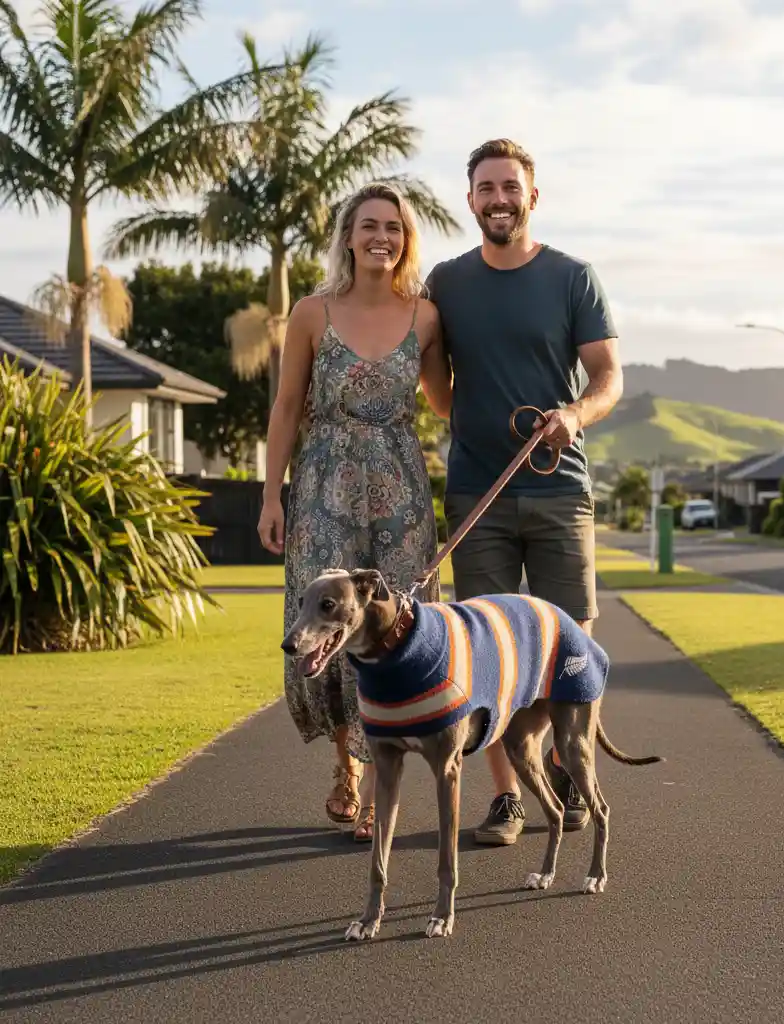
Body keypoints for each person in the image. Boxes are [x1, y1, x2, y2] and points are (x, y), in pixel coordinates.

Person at [424, 138, 624, 846]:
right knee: (486, 648)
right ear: (470, 199)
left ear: (532, 196)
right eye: (486, 188)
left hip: (560, 489)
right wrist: (472, 423)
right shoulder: (446, 282)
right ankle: (507, 797)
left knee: (573, 644)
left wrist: (574, 415)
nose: (499, 199)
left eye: (510, 187)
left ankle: (571, 775)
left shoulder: (573, 277)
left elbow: (608, 379)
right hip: (477, 493)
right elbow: (436, 386)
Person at [258, 181, 450, 842]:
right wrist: (271, 494)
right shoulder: (312, 312)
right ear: (347, 235)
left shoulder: (426, 317)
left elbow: (447, 403)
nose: (381, 237)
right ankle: (347, 768)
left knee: (395, 627)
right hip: (322, 492)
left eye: (393, 228)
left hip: (401, 493)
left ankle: (378, 785)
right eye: (369, 225)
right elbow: (287, 406)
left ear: (406, 239)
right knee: (323, 621)